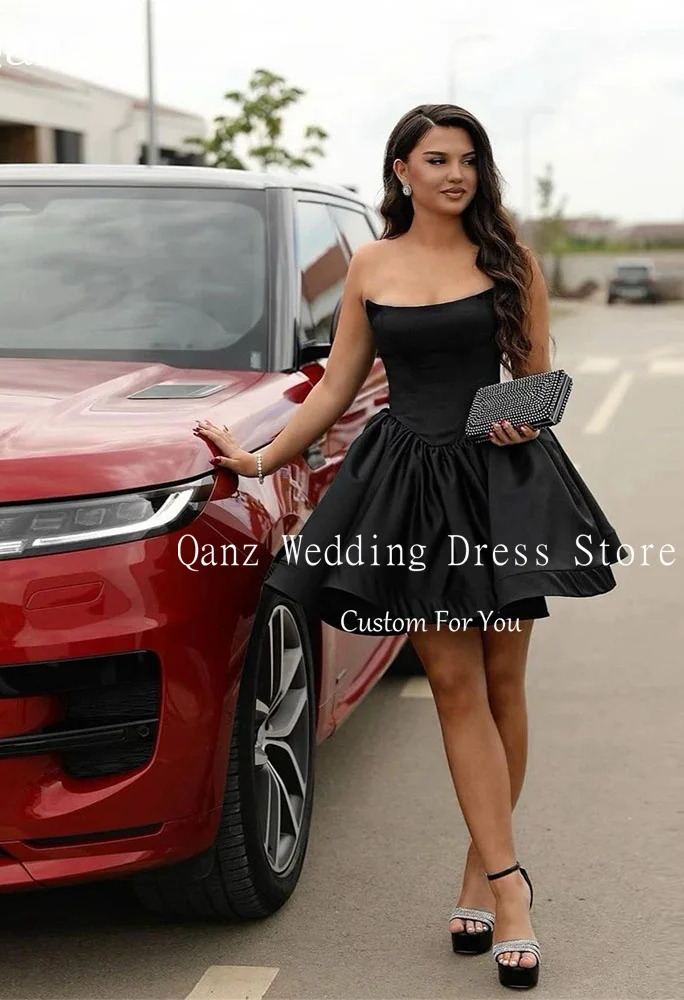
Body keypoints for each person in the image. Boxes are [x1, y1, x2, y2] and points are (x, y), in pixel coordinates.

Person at [194, 103, 624, 991]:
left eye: (467, 159)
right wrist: (262, 456)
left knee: (504, 683)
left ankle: (479, 865)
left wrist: (517, 419)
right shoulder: (372, 264)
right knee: (454, 686)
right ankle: (513, 890)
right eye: (436, 159)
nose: (455, 174)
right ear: (401, 171)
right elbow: (339, 383)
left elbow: (538, 379)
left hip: (502, 487)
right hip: (411, 489)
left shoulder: (507, 260)